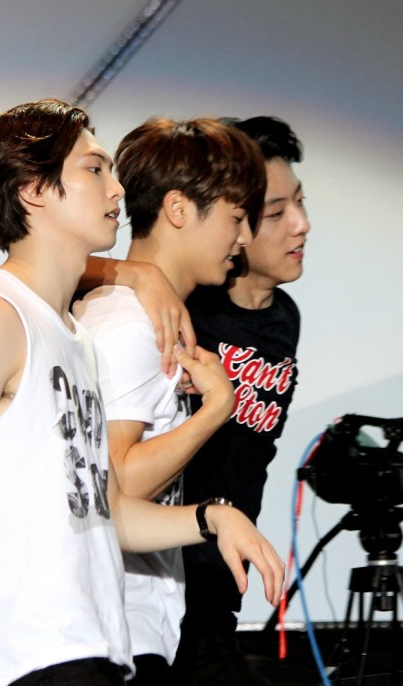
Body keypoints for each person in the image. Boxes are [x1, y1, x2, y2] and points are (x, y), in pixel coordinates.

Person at [0, 99, 283, 686]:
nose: (117, 189)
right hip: (29, 653)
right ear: (34, 190)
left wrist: (212, 518)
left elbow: (103, 511)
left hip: (97, 647)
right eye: (94, 169)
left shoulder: (75, 337)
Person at [73, 117, 268, 685]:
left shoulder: (136, 313)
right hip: (119, 636)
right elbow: (117, 486)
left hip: (135, 630)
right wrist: (216, 411)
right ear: (179, 209)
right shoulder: (133, 326)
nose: (245, 238)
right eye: (236, 217)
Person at [173, 116, 311, 685]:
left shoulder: (285, 319)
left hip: (221, 585)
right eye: (276, 214)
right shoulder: (185, 301)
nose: (302, 225)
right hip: (163, 575)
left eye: (300, 203)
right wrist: (135, 276)